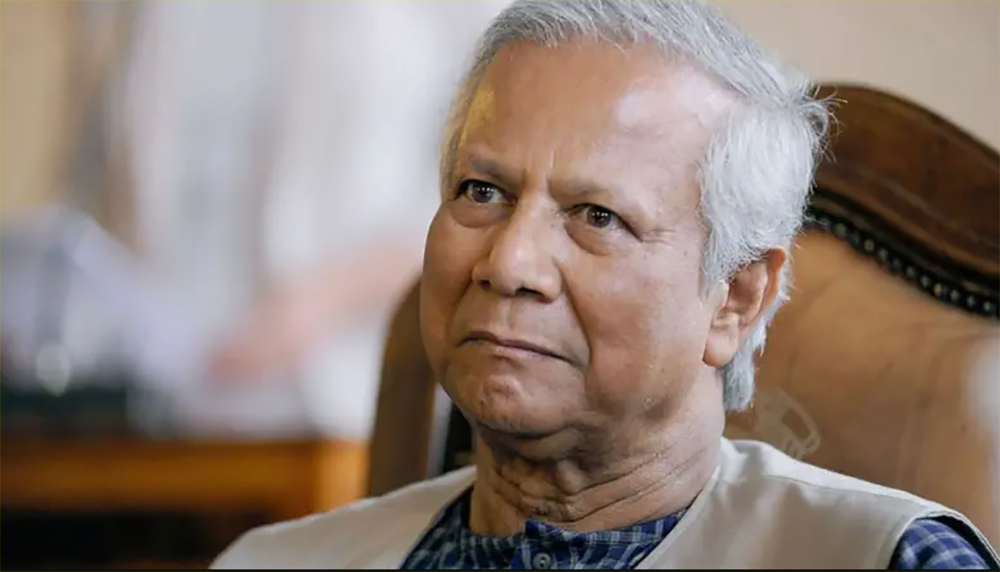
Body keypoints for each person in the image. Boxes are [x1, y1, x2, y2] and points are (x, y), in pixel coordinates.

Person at [210, 0, 1000, 568]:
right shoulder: (273, 562)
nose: (508, 263)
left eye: (597, 215)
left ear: (735, 298)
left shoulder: (892, 559)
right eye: (482, 191)